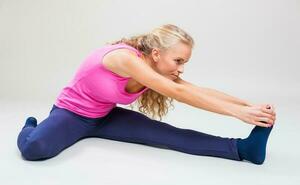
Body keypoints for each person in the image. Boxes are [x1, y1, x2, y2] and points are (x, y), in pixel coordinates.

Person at [17, 24, 276, 165]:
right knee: (34, 148)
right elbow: (176, 92)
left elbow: (191, 89)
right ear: (156, 54)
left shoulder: (158, 69)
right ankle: (31, 126)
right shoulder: (124, 59)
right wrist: (240, 113)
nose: (181, 68)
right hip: (71, 115)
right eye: (178, 60)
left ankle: (243, 149)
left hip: (105, 115)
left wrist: (249, 107)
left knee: (170, 135)